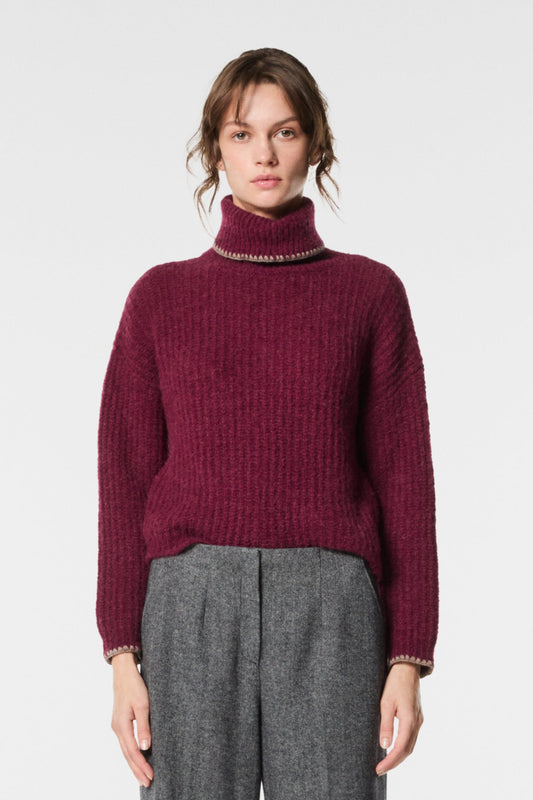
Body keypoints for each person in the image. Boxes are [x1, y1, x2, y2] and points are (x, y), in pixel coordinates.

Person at [96, 47, 439, 800]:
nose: (264, 154)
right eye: (241, 133)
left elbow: (405, 484)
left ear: (314, 143)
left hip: (331, 606)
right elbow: (124, 482)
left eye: (285, 132)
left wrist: (408, 659)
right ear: (214, 148)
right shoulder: (160, 299)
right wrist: (121, 656)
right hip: (190, 605)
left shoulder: (369, 294)